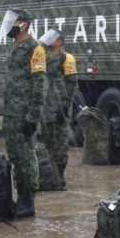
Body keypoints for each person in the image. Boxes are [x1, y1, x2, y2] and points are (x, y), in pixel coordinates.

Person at [1, 9, 46, 218]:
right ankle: (21, 199)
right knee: (16, 157)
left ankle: (28, 201)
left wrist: (33, 116)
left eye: (15, 22)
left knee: (27, 157)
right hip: (11, 112)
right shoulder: (15, 47)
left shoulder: (34, 48)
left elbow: (39, 83)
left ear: (25, 24)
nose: (10, 25)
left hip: (24, 113)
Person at [39, 29, 77, 188]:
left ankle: (60, 176)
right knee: (48, 145)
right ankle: (51, 178)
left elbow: (72, 84)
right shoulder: (43, 57)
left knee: (61, 146)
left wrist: (65, 106)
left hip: (60, 109)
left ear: (60, 42)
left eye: (53, 39)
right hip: (45, 109)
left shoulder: (66, 59)